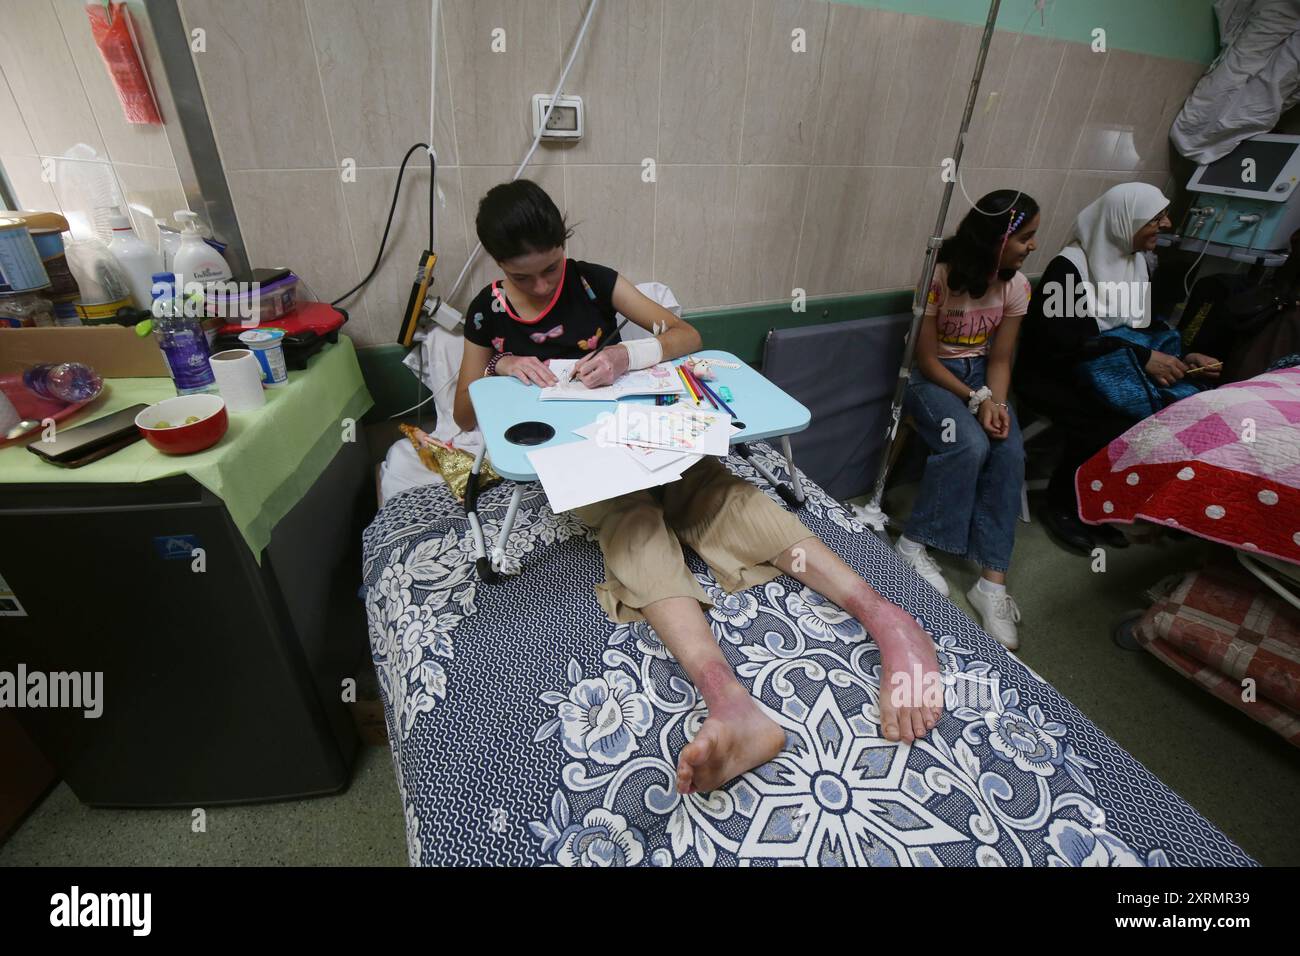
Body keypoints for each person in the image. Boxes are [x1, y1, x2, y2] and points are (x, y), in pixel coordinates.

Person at [453, 180, 944, 794]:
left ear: (564, 246)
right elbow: (466, 415)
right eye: (524, 278)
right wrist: (500, 364)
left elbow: (685, 337)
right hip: (576, 457)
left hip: (639, 428)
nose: (543, 287)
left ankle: (888, 618)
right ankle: (728, 701)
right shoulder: (486, 312)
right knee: (631, 524)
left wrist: (628, 357)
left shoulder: (594, 282)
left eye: (550, 267)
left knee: (723, 493)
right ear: (499, 268)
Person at [1015, 183, 1221, 554]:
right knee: (1112, 421)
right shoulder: (1069, 268)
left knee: (1167, 410)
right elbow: (1064, 342)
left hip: (1109, 368)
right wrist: (1142, 359)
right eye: (1156, 218)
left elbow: (1142, 327)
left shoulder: (1136, 263)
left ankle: (1096, 504)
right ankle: (1062, 505)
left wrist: (1184, 357)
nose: (1167, 223)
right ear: (1124, 220)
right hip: (1053, 373)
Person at [894, 190, 1039, 650]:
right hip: (934, 380)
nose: (1032, 246)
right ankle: (914, 543)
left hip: (982, 378)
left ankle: (991, 583)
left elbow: (1000, 357)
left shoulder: (1017, 287)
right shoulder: (939, 277)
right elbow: (928, 359)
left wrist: (995, 401)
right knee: (968, 444)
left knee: (1010, 449)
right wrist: (976, 401)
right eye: (1026, 238)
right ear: (996, 239)